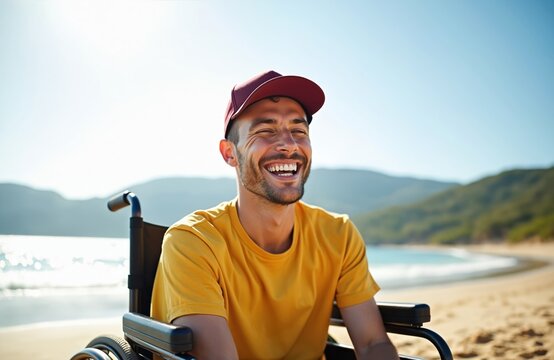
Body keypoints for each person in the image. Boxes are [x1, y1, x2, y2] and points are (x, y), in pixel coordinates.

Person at [151, 70, 399, 360]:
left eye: (299, 131)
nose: (289, 144)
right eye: (265, 131)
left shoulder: (338, 233)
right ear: (230, 153)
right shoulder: (193, 241)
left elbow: (372, 345)